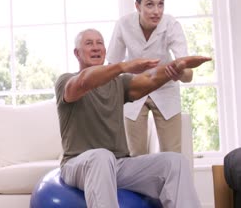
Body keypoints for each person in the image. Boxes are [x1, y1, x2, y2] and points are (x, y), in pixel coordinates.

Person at [55, 28, 211, 208]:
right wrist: (122, 66)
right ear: (77, 53)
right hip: (78, 164)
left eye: (100, 43)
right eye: (89, 43)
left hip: (119, 165)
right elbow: (83, 82)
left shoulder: (118, 83)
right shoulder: (65, 81)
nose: (96, 47)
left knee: (175, 162)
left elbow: (149, 79)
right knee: (101, 157)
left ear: (105, 51)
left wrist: (173, 69)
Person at [107, 0, 192, 156]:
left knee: (173, 156)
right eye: (150, 5)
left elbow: (188, 74)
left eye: (161, 4)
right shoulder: (123, 24)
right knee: (135, 156)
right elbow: (113, 66)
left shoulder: (171, 25)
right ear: (137, 6)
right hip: (135, 89)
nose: (157, 11)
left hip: (165, 88)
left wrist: (179, 72)